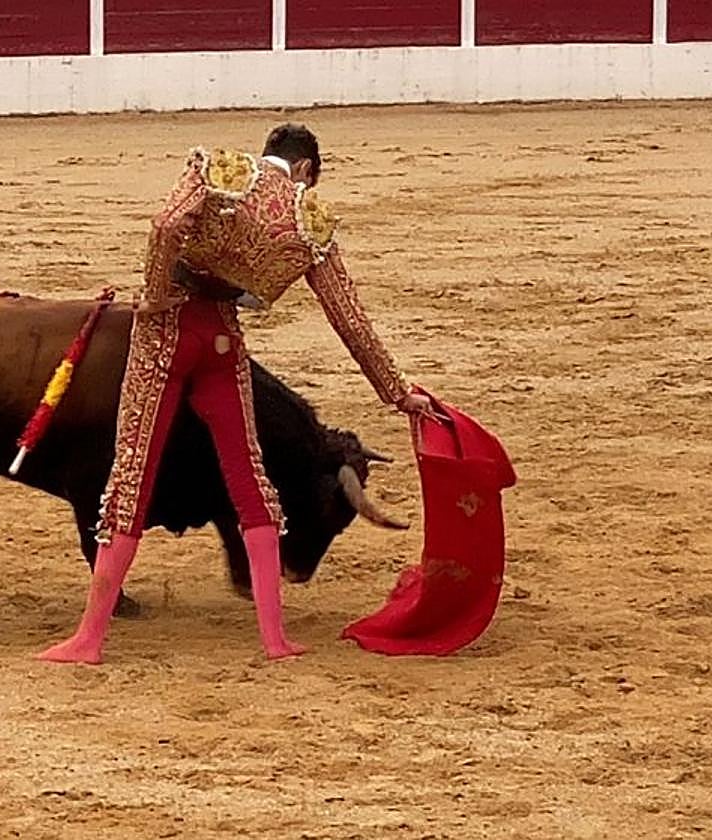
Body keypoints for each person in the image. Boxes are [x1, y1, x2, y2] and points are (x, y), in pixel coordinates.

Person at [38, 123, 436, 664]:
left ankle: (89, 640)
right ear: (304, 169)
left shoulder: (219, 171)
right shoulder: (309, 219)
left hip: (166, 336)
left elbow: (166, 224)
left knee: (131, 478)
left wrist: (155, 294)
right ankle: (275, 639)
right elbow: (349, 319)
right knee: (251, 481)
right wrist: (397, 392)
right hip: (222, 341)